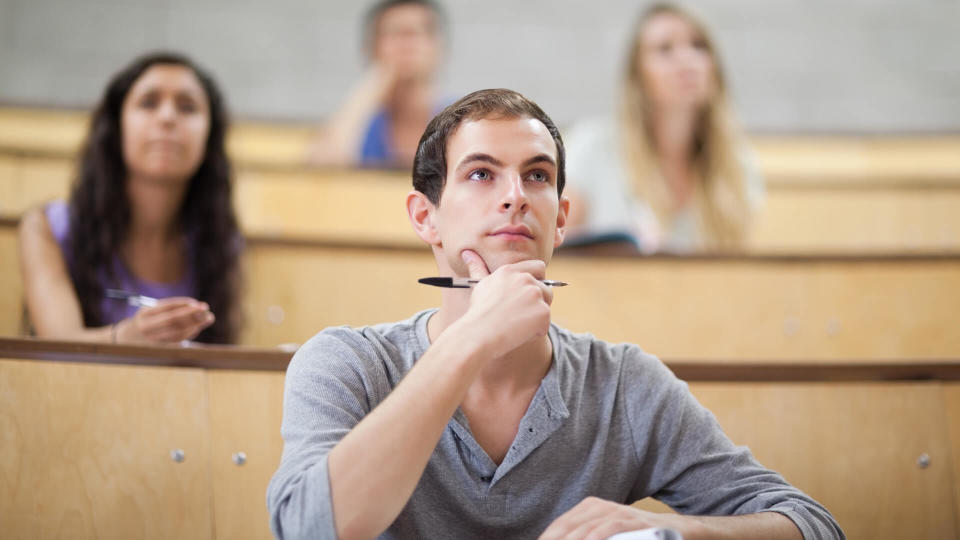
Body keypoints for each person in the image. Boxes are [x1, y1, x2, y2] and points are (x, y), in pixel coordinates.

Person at [267, 89, 843, 540]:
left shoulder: (624, 385)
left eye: (537, 175)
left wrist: (675, 527)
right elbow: (308, 527)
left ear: (561, 218)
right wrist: (469, 343)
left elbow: (813, 524)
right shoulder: (345, 363)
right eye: (481, 173)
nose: (516, 195)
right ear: (425, 218)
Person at [18, 52, 242, 344]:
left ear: (209, 136)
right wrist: (130, 336)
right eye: (148, 103)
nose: (167, 118)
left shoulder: (220, 239)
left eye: (187, 107)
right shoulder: (47, 227)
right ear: (117, 126)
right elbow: (58, 346)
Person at [564, 3, 763, 253]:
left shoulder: (736, 165)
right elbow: (561, 253)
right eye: (665, 49)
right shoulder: (593, 147)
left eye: (698, 46)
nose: (686, 60)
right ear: (638, 75)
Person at [306, 0, 447, 169]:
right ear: (371, 48)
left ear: (439, 47)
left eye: (418, 32)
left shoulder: (462, 119)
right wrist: (371, 87)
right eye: (393, 33)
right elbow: (319, 170)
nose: (406, 44)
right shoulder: (362, 122)